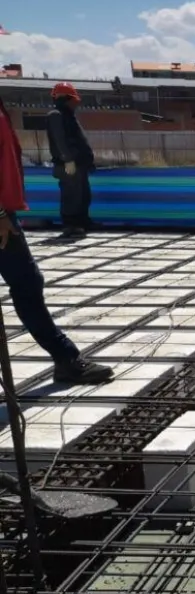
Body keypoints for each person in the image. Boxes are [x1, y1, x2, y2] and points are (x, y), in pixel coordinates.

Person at [0, 95, 114, 385]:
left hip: (5, 215)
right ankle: (66, 359)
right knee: (27, 284)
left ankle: (66, 359)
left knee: (28, 283)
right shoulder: (56, 116)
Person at [46, 82, 95, 238]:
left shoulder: (68, 116)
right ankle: (71, 225)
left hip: (78, 164)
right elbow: (60, 140)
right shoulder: (56, 115)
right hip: (67, 165)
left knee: (82, 195)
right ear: (67, 98)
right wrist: (67, 159)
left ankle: (82, 222)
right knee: (71, 196)